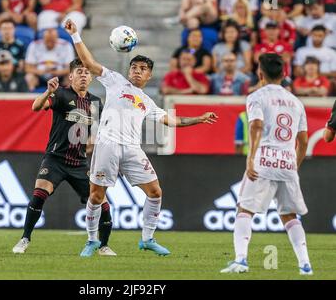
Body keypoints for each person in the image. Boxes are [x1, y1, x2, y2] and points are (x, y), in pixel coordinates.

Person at [64, 19, 218, 257]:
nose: (137, 71)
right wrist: (75, 35)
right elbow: (88, 63)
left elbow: (172, 120)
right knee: (96, 195)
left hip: (132, 149)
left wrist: (199, 118)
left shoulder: (147, 102)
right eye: (134, 67)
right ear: (129, 71)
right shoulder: (115, 81)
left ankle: (147, 238)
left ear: (149, 75)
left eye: (143, 69)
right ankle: (92, 240)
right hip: (108, 144)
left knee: (155, 192)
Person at [12, 59, 116, 256]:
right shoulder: (60, 94)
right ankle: (25, 238)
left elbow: (99, 130)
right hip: (55, 158)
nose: (84, 75)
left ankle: (103, 246)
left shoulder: (95, 102)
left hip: (79, 162)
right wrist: (48, 92)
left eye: (87, 72)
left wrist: (96, 142)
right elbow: (36, 107)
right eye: (79, 72)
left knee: (101, 202)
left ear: (92, 77)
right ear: (71, 76)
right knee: (39, 193)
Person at [220, 53, 313, 275]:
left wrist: (250, 159)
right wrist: (295, 165)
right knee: (289, 216)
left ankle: (241, 260)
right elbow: (303, 141)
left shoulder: (256, 97)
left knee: (244, 209)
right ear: (284, 73)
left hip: (263, 160)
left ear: (260, 73)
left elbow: (256, 126)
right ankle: (305, 265)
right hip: (287, 163)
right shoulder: (296, 102)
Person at [25, 27, 75, 91]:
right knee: (29, 77)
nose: (50, 43)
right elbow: (27, 68)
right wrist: (41, 72)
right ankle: (31, 98)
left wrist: (57, 72)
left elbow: (70, 68)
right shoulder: (34, 45)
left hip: (59, 76)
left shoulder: (66, 45)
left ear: (57, 38)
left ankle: (69, 97)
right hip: (40, 75)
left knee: (71, 77)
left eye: (52, 41)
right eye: (48, 40)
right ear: (43, 38)